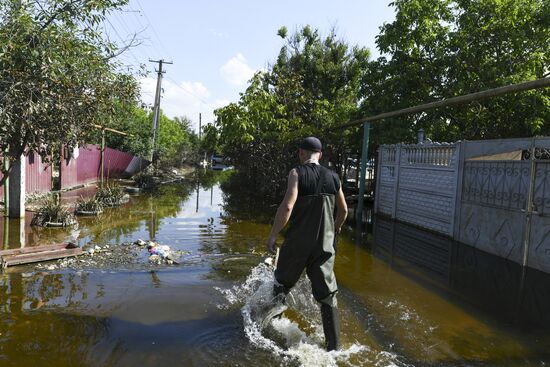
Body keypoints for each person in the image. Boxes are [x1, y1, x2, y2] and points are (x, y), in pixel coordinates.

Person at [265, 136, 348, 351]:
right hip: (324, 247)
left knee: (281, 284)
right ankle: (334, 349)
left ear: (301, 153)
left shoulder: (296, 173)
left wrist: (273, 235)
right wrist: (335, 229)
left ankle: (273, 332)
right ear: (320, 155)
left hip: (297, 244)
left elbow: (287, 207)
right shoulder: (334, 177)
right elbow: (344, 210)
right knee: (328, 296)